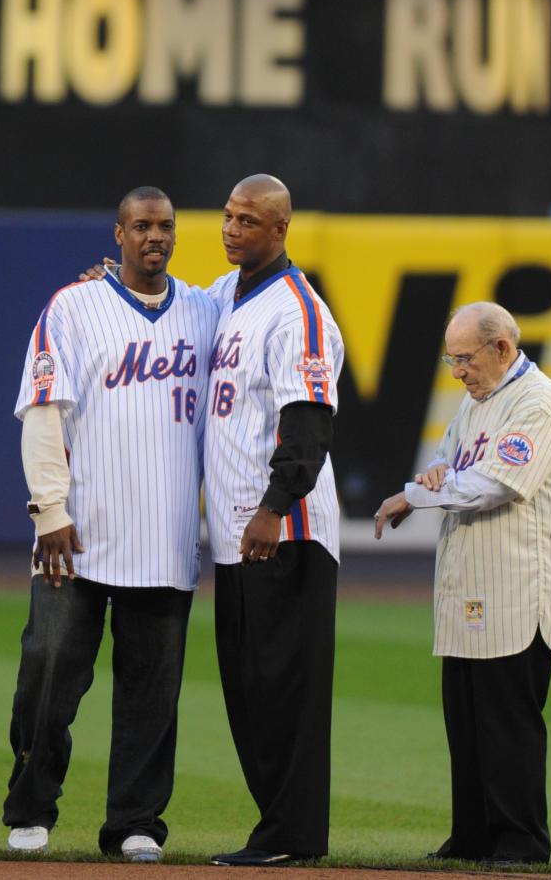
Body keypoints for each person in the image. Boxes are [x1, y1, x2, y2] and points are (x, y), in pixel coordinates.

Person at [3, 186, 217, 861]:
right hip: (79, 535)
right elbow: (43, 414)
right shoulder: (73, 306)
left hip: (165, 536)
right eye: (142, 226)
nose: (155, 237)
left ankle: (135, 823)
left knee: (151, 699)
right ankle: (31, 807)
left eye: (166, 226)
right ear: (118, 234)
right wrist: (49, 510)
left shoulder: (206, 312)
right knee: (47, 676)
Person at [374, 302, 551, 869]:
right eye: (451, 359)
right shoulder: (475, 404)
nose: (458, 370)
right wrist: (433, 476)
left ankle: (522, 842)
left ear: (503, 349)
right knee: (465, 720)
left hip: (518, 588)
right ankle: (472, 837)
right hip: (470, 586)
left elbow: (493, 485)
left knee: (507, 722)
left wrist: (418, 494)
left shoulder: (540, 404)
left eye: (465, 358)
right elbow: (445, 466)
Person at [204, 174, 345, 867]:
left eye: (249, 220)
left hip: (284, 531)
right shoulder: (226, 296)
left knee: (284, 690)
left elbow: (308, 425)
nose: (232, 229)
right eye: (228, 216)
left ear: (281, 228)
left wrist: (271, 509)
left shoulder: (299, 312)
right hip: (238, 535)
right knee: (250, 691)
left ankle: (291, 837)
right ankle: (279, 832)